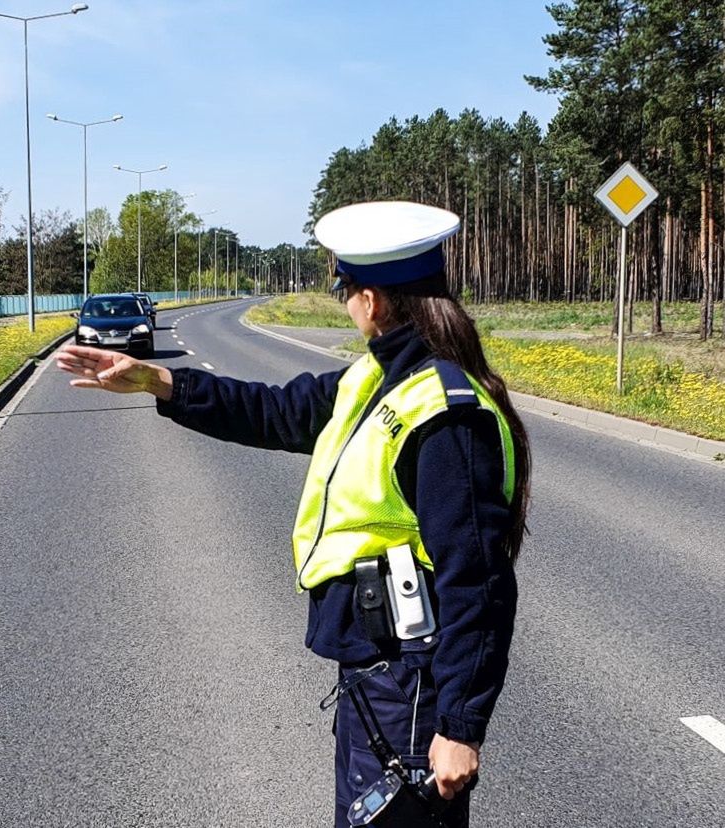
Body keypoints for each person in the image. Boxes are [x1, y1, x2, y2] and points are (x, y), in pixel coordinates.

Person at [55, 201, 530, 828]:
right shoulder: (375, 379)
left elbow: (479, 577)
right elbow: (274, 410)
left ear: (374, 300)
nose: (344, 303)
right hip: (377, 677)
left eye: (344, 289)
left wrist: (461, 726)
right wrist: (159, 383)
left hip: (412, 687)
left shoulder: (444, 412)